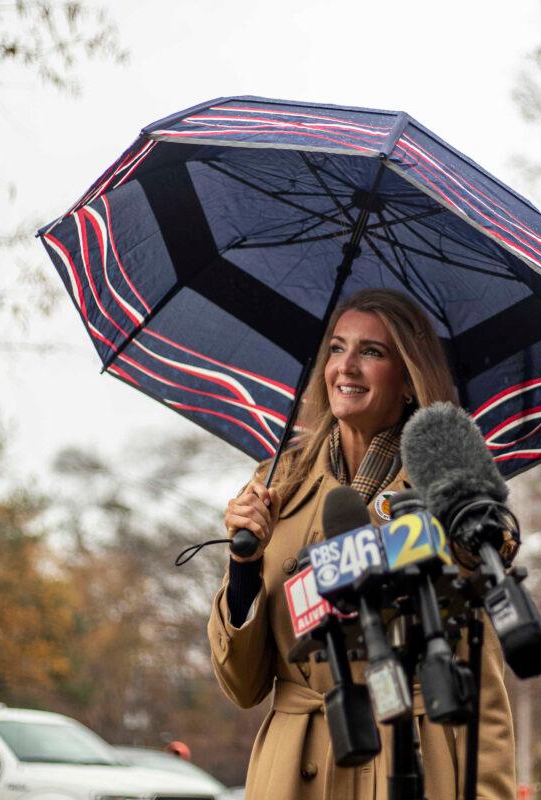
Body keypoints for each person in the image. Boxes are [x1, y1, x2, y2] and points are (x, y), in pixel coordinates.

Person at [207, 288, 516, 800]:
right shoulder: (275, 483)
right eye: (335, 348)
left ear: (410, 379)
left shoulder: (450, 492)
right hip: (293, 771)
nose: (345, 367)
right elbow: (242, 686)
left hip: (410, 761)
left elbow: (482, 690)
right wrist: (243, 563)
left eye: (371, 352)